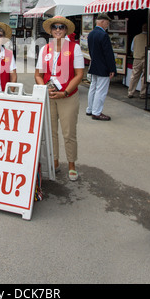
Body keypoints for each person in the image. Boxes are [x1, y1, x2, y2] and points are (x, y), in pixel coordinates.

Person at [35, 16, 84, 181]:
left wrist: (66, 92)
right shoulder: (45, 49)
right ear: (50, 30)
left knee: (69, 132)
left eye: (61, 27)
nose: (57, 30)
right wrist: (44, 88)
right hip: (49, 96)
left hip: (67, 96)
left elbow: (79, 75)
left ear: (66, 30)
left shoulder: (74, 48)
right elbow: (38, 74)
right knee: (51, 132)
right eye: (54, 27)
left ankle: (71, 164)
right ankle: (54, 162)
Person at [86, 13, 116, 121]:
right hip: (103, 66)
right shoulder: (103, 35)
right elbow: (108, 54)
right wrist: (112, 68)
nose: (107, 26)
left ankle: (90, 109)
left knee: (93, 88)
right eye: (107, 23)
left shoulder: (91, 34)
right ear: (102, 21)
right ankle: (97, 112)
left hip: (94, 64)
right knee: (101, 90)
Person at [128, 23, 148, 99]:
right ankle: (142, 93)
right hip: (145, 58)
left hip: (137, 58)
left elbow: (132, 48)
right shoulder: (148, 38)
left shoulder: (136, 37)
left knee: (134, 76)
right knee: (144, 77)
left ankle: (130, 92)